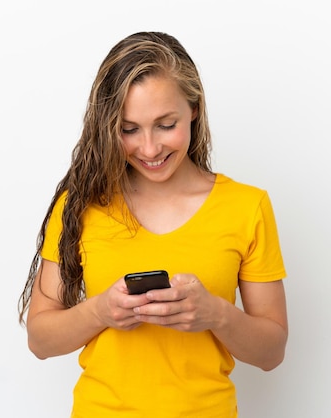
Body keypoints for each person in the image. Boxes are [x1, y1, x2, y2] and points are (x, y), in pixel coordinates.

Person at [18, 31, 288, 417]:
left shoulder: (247, 206)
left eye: (165, 124)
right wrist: (100, 312)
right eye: (129, 129)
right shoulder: (80, 205)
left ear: (193, 108)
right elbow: (40, 340)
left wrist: (215, 314)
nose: (149, 148)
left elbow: (271, 353)